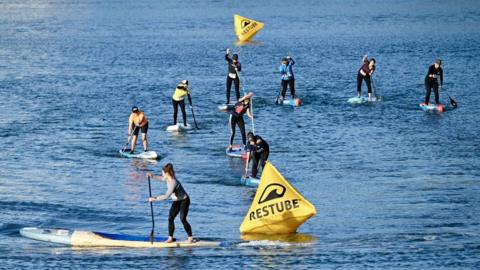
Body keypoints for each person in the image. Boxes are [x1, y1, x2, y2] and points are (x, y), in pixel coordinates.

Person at [147, 163, 194, 243]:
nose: (162, 174)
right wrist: (152, 176)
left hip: (184, 200)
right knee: (170, 218)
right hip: (176, 201)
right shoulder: (167, 178)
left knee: (182, 219)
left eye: (162, 172)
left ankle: (190, 238)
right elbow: (161, 178)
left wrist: (154, 199)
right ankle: (170, 238)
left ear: (167, 173)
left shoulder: (173, 182)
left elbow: (166, 196)